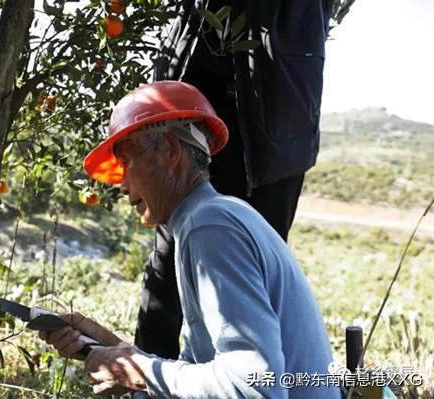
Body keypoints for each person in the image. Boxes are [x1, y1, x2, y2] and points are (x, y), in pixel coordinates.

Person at [40, 80, 339, 398]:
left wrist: (138, 371)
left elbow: (253, 387)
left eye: (127, 162)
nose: (122, 185)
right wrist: (116, 352)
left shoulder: (210, 227)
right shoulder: (216, 216)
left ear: (170, 151)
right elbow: (203, 374)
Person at [136, 0, 331, 361]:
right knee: (169, 256)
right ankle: (149, 379)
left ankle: (254, 376)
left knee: (261, 254)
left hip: (279, 110)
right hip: (194, 98)